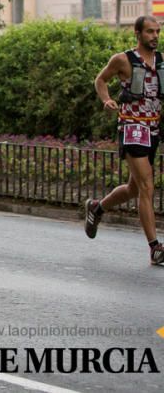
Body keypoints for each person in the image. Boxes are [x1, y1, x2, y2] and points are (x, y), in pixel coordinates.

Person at [86, 16, 164, 265]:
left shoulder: (161, 61)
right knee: (146, 186)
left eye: (158, 31)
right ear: (137, 33)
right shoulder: (123, 59)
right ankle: (155, 248)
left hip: (153, 128)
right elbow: (100, 80)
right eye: (150, 31)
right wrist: (106, 99)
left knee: (134, 188)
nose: (155, 36)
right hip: (132, 126)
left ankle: (97, 208)